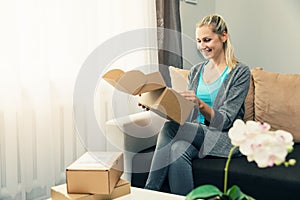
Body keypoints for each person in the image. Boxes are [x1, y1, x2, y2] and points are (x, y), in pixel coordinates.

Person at [143, 14, 251, 195]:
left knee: (170, 129)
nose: (202, 46)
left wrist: (200, 105)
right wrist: (158, 105)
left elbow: (225, 122)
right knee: (177, 149)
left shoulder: (239, 72)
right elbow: (186, 116)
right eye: (199, 41)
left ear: (223, 36)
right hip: (198, 133)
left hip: (226, 137)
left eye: (207, 40)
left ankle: (148, 192)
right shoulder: (196, 71)